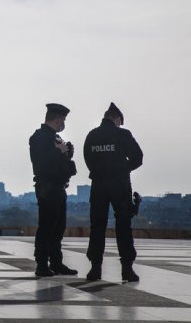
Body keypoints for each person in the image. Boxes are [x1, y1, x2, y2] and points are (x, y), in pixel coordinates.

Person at [83, 102, 143, 282]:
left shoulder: (92, 135)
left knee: (97, 226)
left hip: (99, 185)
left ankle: (95, 269)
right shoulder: (122, 134)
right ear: (117, 119)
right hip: (119, 185)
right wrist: (123, 169)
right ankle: (127, 269)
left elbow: (88, 159)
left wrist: (102, 171)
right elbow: (138, 158)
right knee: (123, 226)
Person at [29, 103, 78, 277]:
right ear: (57, 119)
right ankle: (41, 264)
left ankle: (56, 262)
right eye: (63, 119)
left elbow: (58, 163)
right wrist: (58, 152)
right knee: (47, 227)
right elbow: (41, 163)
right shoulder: (39, 137)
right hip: (48, 187)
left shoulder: (56, 138)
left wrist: (67, 154)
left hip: (58, 186)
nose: (63, 123)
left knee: (58, 227)